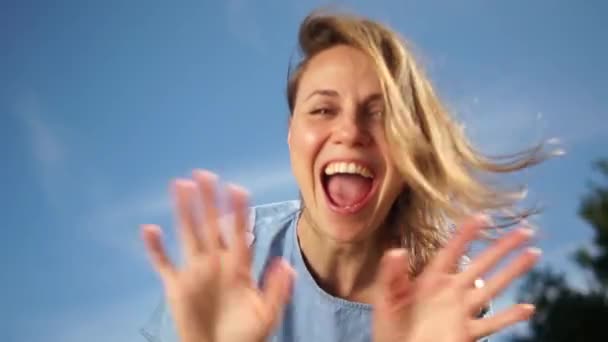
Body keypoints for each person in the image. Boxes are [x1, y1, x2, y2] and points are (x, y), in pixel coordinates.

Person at [139, 9, 555, 342]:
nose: (350, 133)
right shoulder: (233, 256)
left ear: (412, 147)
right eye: (322, 109)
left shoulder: (443, 296)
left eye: (380, 115)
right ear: (290, 134)